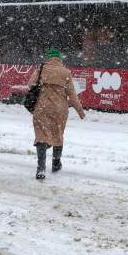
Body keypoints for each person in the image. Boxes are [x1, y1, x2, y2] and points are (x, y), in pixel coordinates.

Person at [27, 47, 86, 180]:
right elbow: (72, 95)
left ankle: (41, 168)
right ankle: (56, 163)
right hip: (60, 110)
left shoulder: (41, 69)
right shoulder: (66, 72)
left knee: (41, 136)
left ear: (48, 58)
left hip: (42, 108)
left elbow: (30, 84)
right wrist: (80, 112)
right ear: (59, 59)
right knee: (58, 134)